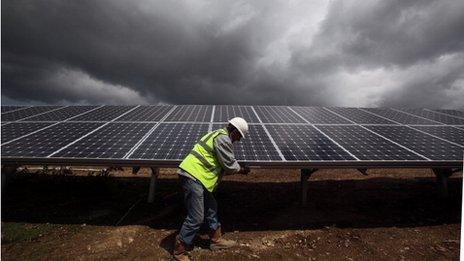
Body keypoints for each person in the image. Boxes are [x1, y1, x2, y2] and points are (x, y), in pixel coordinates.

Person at [173, 117, 251, 261]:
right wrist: (242, 170)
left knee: (211, 207)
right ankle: (180, 250)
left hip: (198, 177)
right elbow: (229, 165)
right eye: (239, 136)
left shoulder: (217, 134)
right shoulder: (223, 139)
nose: (239, 140)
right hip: (193, 176)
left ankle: (216, 241)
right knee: (196, 217)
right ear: (233, 131)